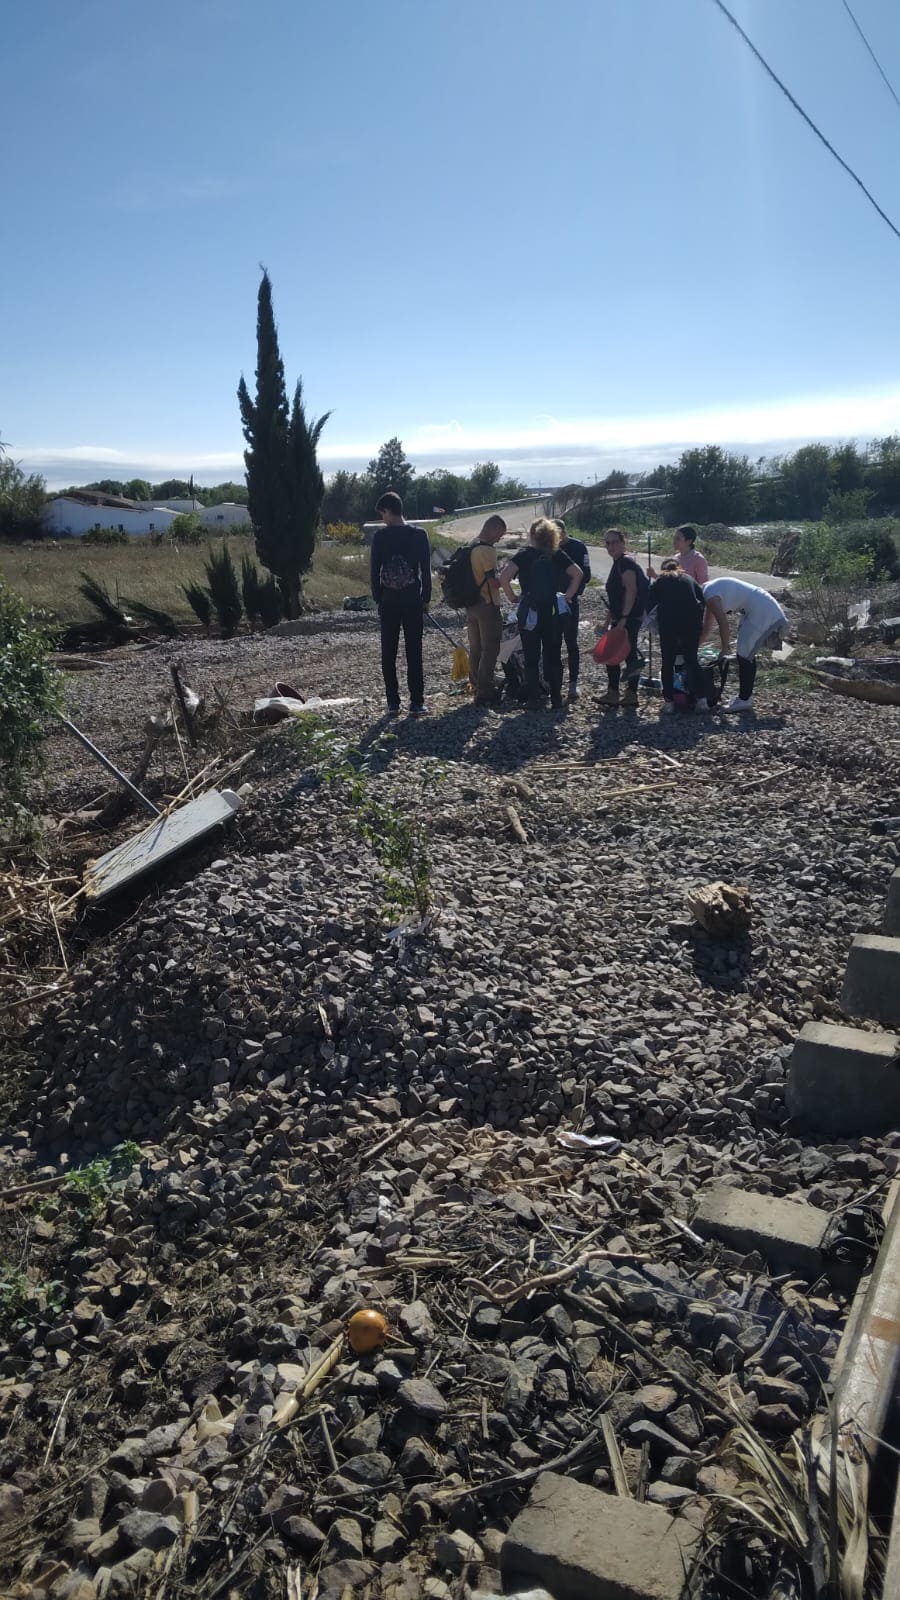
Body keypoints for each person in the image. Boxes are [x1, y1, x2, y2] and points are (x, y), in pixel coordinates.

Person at [498, 518, 582, 709]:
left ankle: (534, 699)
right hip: (552, 610)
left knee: (531, 656)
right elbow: (578, 574)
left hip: (530, 611)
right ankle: (556, 698)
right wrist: (567, 597)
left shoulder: (524, 555)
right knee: (553, 655)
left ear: (533, 535)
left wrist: (513, 597)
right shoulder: (557, 554)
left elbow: (504, 577)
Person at [370, 491, 432, 717]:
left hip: (389, 598)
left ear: (387, 511)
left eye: (382, 514)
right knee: (414, 650)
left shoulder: (380, 537)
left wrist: (378, 597)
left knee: (389, 651)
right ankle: (416, 702)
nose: (382, 518)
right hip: (412, 597)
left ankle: (393, 702)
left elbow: (374, 571)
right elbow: (425, 570)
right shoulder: (419, 535)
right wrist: (426, 598)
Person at [701, 576, 789, 711]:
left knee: (744, 653)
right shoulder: (708, 590)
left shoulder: (710, 595)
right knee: (745, 651)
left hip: (762, 610)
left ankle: (745, 699)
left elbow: (723, 624)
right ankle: (744, 697)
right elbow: (707, 626)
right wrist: (694, 647)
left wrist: (724, 649)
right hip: (757, 606)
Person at [645, 559, 709, 714]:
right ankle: (702, 700)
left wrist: (653, 626)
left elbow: (649, 607)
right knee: (692, 660)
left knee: (668, 662)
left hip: (669, 625)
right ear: (679, 567)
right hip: (691, 624)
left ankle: (669, 702)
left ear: (663, 570)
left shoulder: (659, 582)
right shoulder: (689, 579)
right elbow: (702, 601)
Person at [600, 527, 648, 709]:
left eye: (614, 542)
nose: (610, 546)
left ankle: (624, 693)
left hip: (629, 617)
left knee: (619, 653)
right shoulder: (619, 562)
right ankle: (623, 693)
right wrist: (608, 621)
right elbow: (615, 597)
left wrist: (624, 618)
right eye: (607, 542)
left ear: (622, 543)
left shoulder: (625, 563)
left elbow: (631, 591)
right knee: (624, 653)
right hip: (622, 617)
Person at [465, 515, 507, 705]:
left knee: (475, 648)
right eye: (500, 534)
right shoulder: (488, 550)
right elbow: (492, 582)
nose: (500, 539)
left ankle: (474, 683)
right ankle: (485, 689)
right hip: (487, 604)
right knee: (490, 648)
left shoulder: (471, 545)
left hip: (470, 603)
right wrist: (505, 578)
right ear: (494, 529)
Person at [555, 518, 591, 702]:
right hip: (551, 601)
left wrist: (572, 593)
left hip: (569, 601)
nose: (557, 540)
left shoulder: (578, 547)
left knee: (571, 641)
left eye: (559, 535)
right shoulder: (549, 547)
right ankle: (552, 682)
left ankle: (573, 682)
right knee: (552, 642)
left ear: (564, 532)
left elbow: (586, 574)